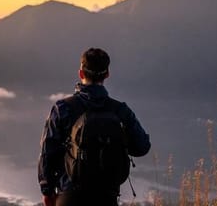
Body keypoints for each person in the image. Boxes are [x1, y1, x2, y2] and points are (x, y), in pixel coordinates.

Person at [38, 48, 151, 206]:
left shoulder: (63, 108)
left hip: (69, 195)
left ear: (81, 73)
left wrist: (47, 192)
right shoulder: (120, 110)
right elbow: (142, 147)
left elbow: (47, 154)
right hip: (107, 196)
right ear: (107, 74)